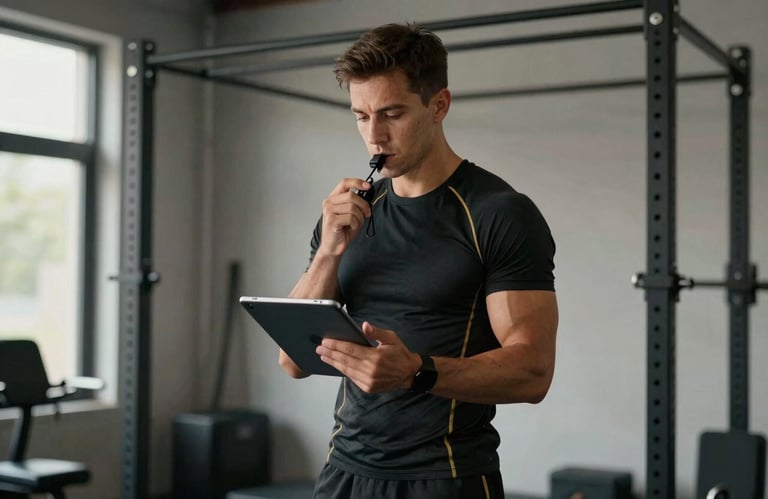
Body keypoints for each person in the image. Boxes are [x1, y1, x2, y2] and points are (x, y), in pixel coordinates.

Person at [279, 22, 558, 499]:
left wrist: (417, 371)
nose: (374, 135)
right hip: (344, 472)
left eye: (391, 114)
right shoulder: (348, 215)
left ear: (439, 105)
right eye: (361, 116)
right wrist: (328, 250)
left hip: (447, 476)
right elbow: (293, 359)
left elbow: (533, 371)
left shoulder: (499, 213)